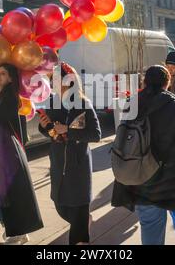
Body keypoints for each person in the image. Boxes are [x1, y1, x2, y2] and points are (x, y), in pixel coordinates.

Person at [111, 65, 175, 245]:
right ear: (167, 83)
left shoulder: (132, 104)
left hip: (142, 182)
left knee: (150, 229)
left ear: (145, 82)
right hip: (174, 183)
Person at [0, 63, 43, 244]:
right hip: (0, 149)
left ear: (11, 78)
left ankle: (16, 232)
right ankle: (17, 230)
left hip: (7, 151)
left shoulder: (11, 97)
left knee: (10, 191)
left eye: (3, 74)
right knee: (3, 190)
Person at [38, 62, 101, 245]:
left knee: (78, 219)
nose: (52, 82)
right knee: (61, 206)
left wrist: (68, 130)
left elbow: (96, 135)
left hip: (78, 166)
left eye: (56, 78)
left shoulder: (83, 103)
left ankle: (81, 230)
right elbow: (52, 133)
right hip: (58, 163)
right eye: (52, 79)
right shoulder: (52, 102)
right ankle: (83, 223)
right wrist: (46, 127)